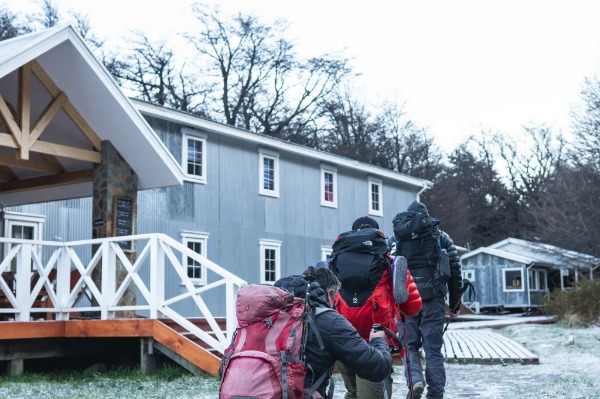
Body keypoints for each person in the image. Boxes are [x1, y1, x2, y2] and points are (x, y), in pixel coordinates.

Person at [332, 216, 422, 399]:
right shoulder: (391, 263)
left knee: (352, 391)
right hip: (377, 342)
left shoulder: (335, 262)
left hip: (342, 337)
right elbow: (412, 308)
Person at [274, 266, 393, 398]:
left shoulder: (269, 316)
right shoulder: (329, 321)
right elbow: (378, 367)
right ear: (330, 294)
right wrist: (379, 340)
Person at [392, 200, 463, 399]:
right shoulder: (441, 236)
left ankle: (415, 380)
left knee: (409, 347)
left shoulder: (396, 238)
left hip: (405, 301)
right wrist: (455, 304)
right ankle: (436, 395)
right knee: (433, 350)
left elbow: (388, 271)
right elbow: (455, 271)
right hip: (433, 299)